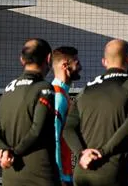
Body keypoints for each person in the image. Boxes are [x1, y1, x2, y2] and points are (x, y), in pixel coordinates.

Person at [63, 39, 128, 186]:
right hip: (114, 172)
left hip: (83, 172)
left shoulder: (87, 89)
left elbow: (68, 127)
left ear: (104, 62)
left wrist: (82, 153)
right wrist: (102, 152)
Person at [0, 38, 58, 186]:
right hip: (40, 175)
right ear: (48, 58)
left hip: (10, 175)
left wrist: (4, 151)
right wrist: (14, 152)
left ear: (22, 59)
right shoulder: (44, 88)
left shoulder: (9, 88)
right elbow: (37, 130)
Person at [51, 46, 82, 185]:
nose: (80, 66)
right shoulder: (58, 96)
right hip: (61, 176)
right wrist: (58, 175)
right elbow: (54, 136)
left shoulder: (62, 94)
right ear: (65, 65)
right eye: (76, 62)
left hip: (65, 173)